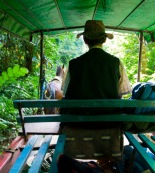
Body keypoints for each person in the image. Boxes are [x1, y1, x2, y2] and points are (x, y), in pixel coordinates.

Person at [57, 20, 132, 172]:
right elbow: (122, 92)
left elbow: (66, 92)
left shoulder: (73, 64)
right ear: (104, 40)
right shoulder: (116, 63)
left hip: (76, 126)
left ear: (85, 40)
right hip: (108, 126)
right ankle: (105, 166)